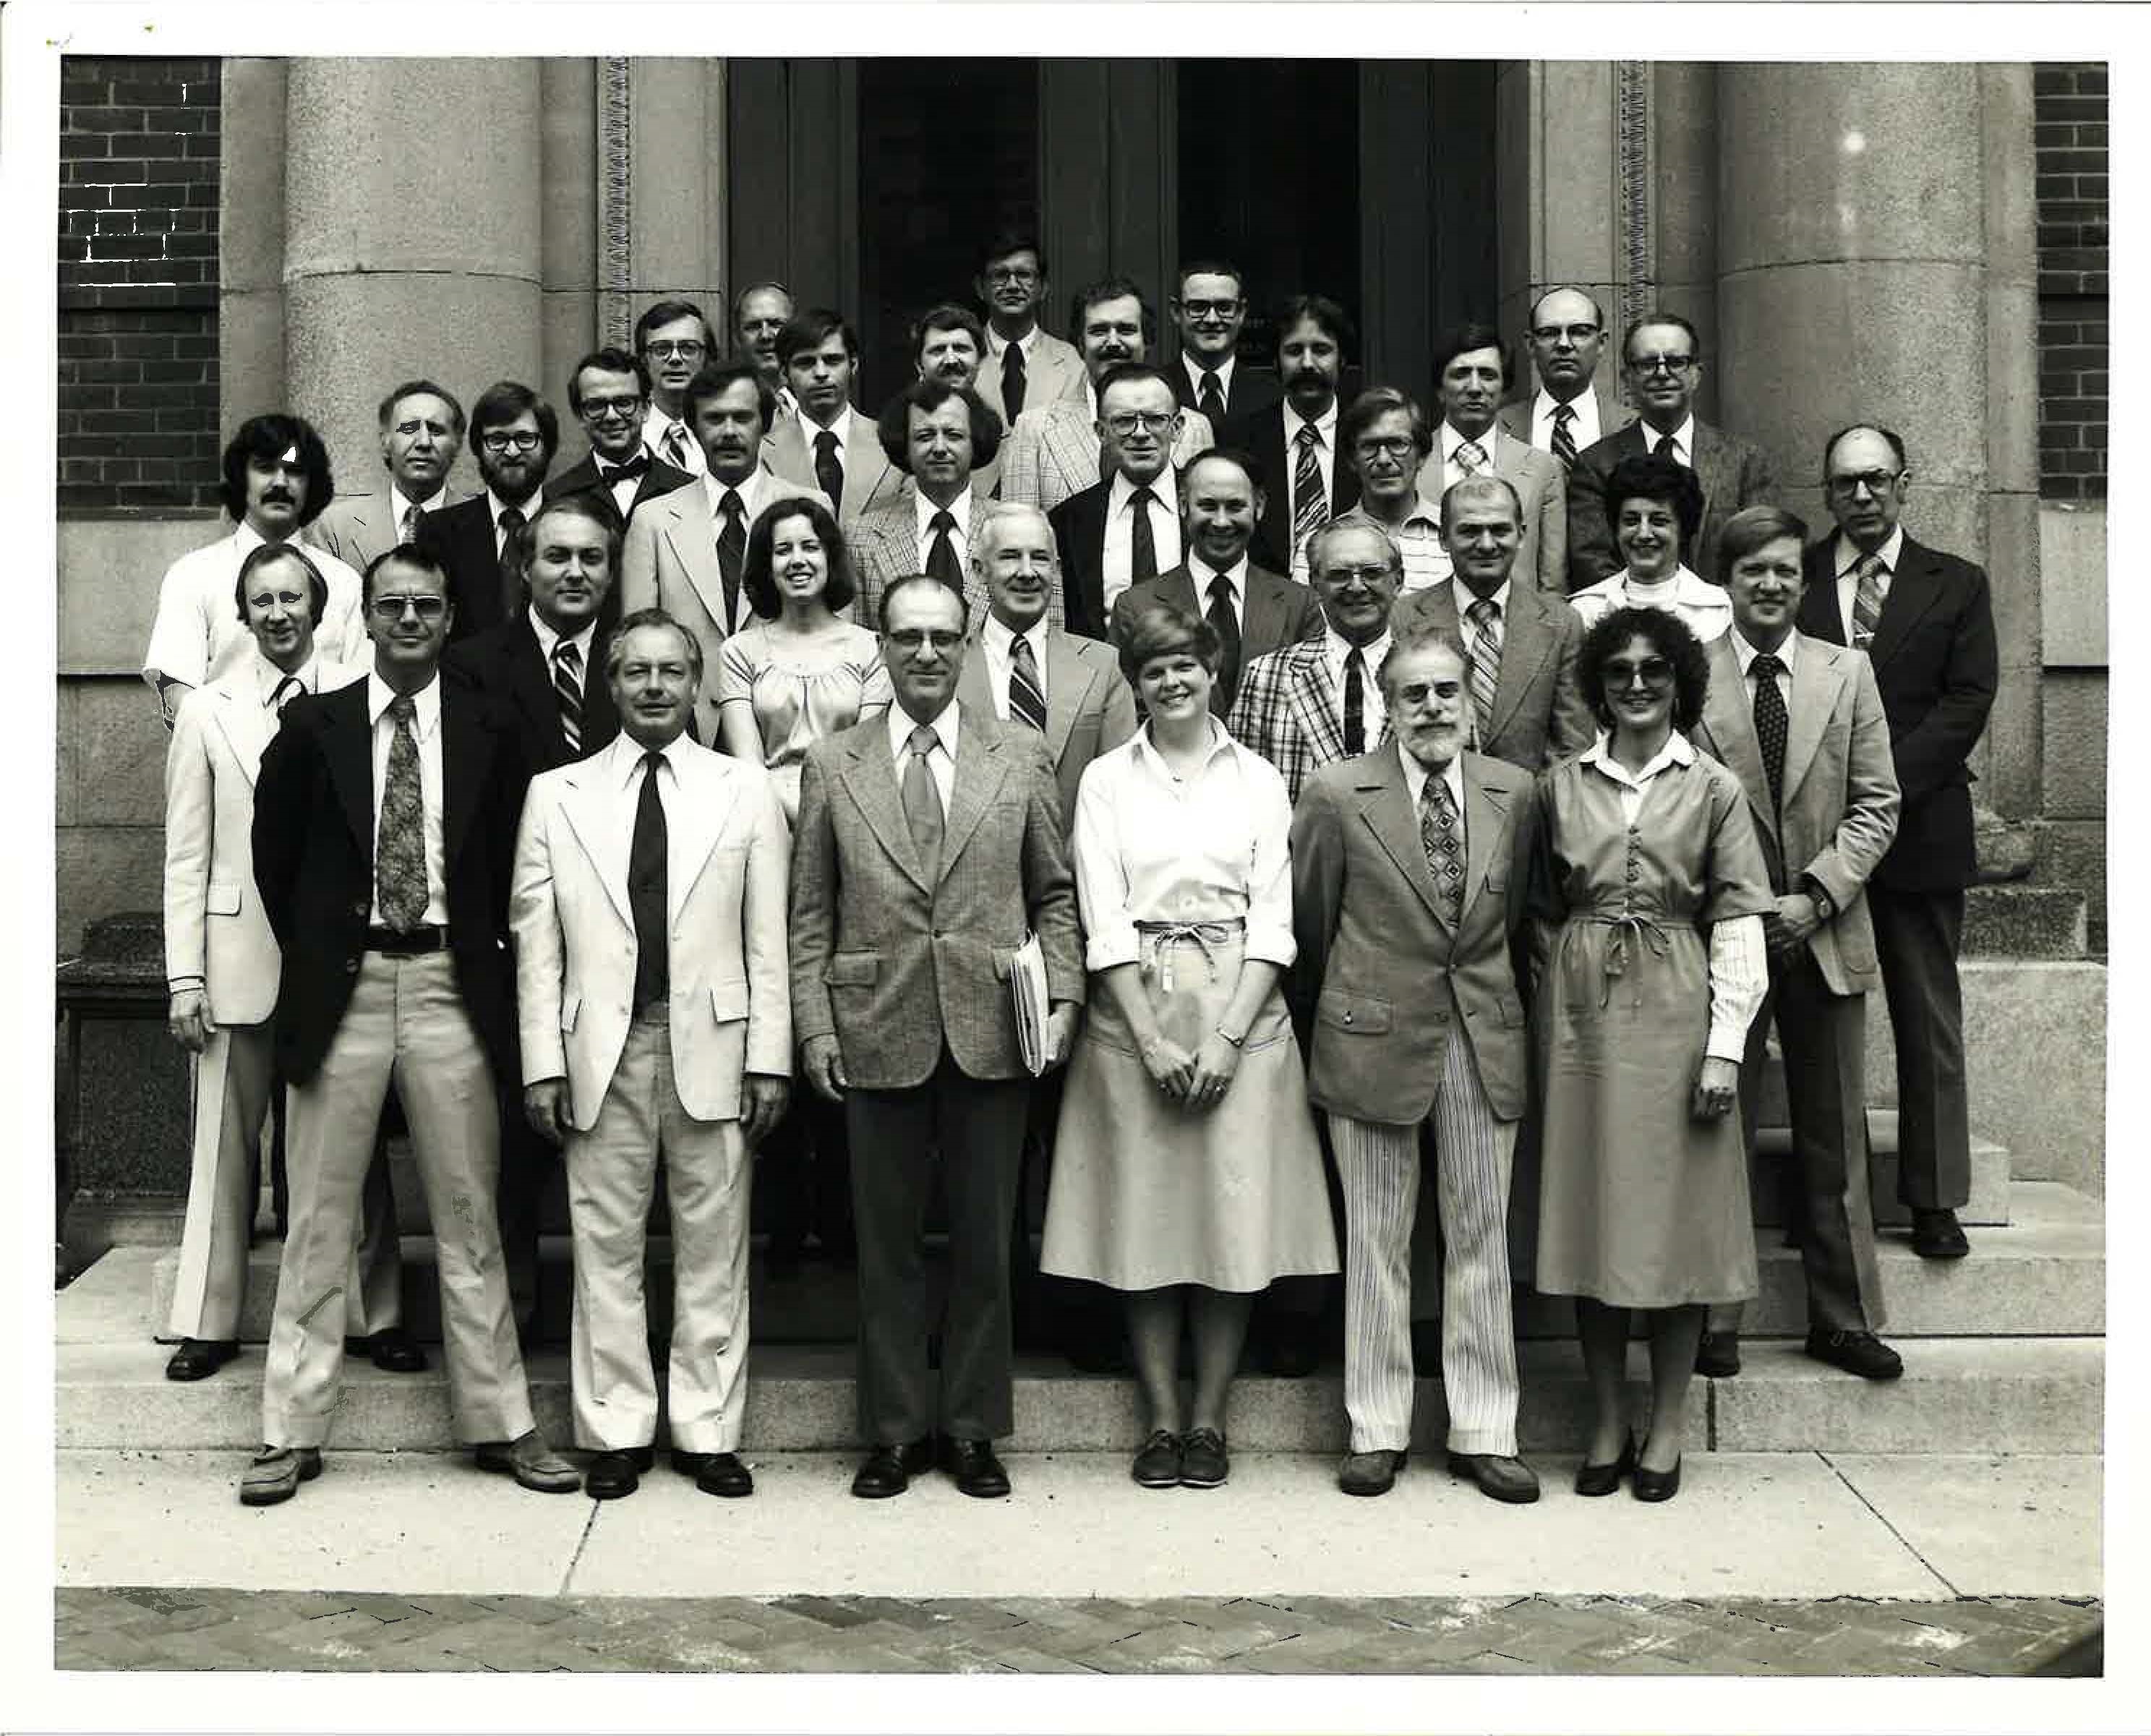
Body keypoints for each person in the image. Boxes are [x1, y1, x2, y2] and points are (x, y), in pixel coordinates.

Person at [241, 544, 578, 1505]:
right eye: (390, 605)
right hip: (342, 994)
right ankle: (289, 1429)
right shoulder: (312, 726)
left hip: (448, 986)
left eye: (426, 606)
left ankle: (501, 1421)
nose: (408, 621)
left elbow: (524, 858)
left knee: (470, 1216)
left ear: (447, 616)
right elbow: (276, 862)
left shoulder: (495, 727)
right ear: (366, 615)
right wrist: (325, 952)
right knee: (316, 1221)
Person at [788, 574, 1084, 1500]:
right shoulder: (834, 764)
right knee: (886, 1245)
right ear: (881, 646)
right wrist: (813, 1025)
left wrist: (1064, 996)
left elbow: (1054, 894)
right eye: (907, 637)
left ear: (967, 648)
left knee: (985, 1242)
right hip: (874, 1023)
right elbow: (809, 913)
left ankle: (968, 1427)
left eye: (942, 639)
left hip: (994, 1024)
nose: (924, 653)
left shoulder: (1018, 754)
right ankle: (891, 1431)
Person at [1043, 602, 1335, 1490]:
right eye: (1154, 669)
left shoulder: (1254, 778)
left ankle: (1210, 1417)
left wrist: (1225, 1039)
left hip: (1239, 1011)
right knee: (1145, 1217)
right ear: (1135, 683)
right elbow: (1098, 916)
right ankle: (1159, 1415)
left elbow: (1276, 920)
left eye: (1187, 666)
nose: (1172, 681)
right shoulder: (1104, 780)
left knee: (1229, 1219)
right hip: (1134, 1011)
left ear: (1215, 674)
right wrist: (1150, 1042)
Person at [512, 608, 792, 1501]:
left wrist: (770, 1056)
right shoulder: (555, 793)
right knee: (605, 1244)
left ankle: (707, 1428)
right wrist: (542, 1062)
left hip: (710, 1038)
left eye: (673, 671)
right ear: (610, 683)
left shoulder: (741, 789)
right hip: (601, 1044)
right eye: (637, 671)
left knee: (713, 1244)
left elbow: (767, 937)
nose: (655, 687)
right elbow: (537, 943)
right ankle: (617, 1429)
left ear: (697, 681)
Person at [1527, 605, 1775, 1503]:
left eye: (1654, 671)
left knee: (1676, 1231)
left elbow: (1739, 919)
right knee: (1596, 1220)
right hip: (1582, 1024)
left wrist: (1723, 1050)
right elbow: (1538, 913)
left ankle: (1665, 1426)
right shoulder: (1559, 786)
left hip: (1678, 1015)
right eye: (1619, 671)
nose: (1636, 685)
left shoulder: (1711, 787)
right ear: (1597, 684)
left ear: (1679, 681)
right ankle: (1604, 1420)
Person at [1290, 623, 1539, 1502]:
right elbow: (1312, 924)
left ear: (1469, 699)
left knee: (1479, 1234)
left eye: (1445, 691)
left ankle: (1483, 1427)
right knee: (1377, 1237)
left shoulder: (1515, 791)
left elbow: (1520, 925)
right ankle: (1376, 1426)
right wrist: (1357, 999)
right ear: (1387, 706)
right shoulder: (1335, 794)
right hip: (1370, 1035)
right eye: (1413, 694)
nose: (1431, 707)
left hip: (1479, 1036)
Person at [159, 543, 403, 1382]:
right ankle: (209, 1316)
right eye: (261, 601)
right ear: (242, 611)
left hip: (336, 956)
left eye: (291, 598)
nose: (277, 614)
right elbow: (186, 854)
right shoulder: (208, 710)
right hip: (234, 958)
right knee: (225, 1147)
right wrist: (183, 976)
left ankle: (375, 1314)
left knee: (353, 1142)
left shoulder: (358, 697)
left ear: (319, 607)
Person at [1690, 506, 1904, 1381]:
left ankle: (1840, 1316)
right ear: (1727, 584)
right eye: (1752, 573)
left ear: (1802, 579)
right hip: (1727, 935)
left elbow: (1877, 803)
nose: (1771, 585)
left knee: (1832, 1131)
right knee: (1717, 1132)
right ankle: (1713, 1317)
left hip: (1820, 927)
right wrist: (1746, 910)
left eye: (1784, 570)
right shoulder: (1687, 678)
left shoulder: (1845, 672)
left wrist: (1813, 895)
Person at [1800, 425, 1998, 1262]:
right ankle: (1825, 1203)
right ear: (1827, 493)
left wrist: (1877, 784)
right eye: (1844, 482)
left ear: (1904, 483)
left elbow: (1966, 700)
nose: (1861, 495)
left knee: (1924, 1017)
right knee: (1815, 1019)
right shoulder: (1794, 575)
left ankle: (1931, 1198)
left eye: (1875, 479)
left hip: (1917, 827)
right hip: (1814, 837)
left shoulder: (1954, 582)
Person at [445, 495, 625, 1336]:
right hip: (512, 930)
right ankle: (512, 1312)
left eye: (591, 557)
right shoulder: (474, 663)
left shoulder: (639, 662)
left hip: (620, 930)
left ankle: (606, 1312)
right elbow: (465, 813)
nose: (575, 573)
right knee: (515, 1128)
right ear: (524, 569)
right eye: (557, 557)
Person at [717, 497, 884, 1278]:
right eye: (780, 549)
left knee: (842, 1014)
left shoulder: (871, 647)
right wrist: (781, 847)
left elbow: (868, 759)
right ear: (765, 564)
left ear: (830, 556)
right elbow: (747, 769)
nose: (796, 560)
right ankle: (783, 1222)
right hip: (768, 844)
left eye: (809, 545)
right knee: (775, 1012)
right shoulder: (740, 651)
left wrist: (839, 842)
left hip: (856, 843)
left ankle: (846, 1216)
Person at [620, 356, 833, 735]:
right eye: (715, 419)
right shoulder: (653, 519)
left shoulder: (811, 509)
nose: (729, 431)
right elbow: (637, 642)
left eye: (743, 417)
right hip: (690, 726)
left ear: (765, 425)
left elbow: (834, 628)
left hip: (790, 720)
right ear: (694, 428)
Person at [143, 413, 364, 727]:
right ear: (241, 478)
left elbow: (359, 687)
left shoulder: (344, 583)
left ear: (311, 483)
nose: (280, 482)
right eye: (265, 468)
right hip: (225, 760)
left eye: (294, 471)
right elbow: (177, 686)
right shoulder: (192, 576)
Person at [1390, 475, 1596, 770]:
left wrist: (1526, 809)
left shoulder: (1562, 624)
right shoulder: (1403, 618)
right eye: (1470, 531)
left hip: (1531, 808)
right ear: (1444, 538)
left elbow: (1571, 747)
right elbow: (1397, 732)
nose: (1486, 545)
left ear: (1521, 535)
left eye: (1499, 530)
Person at [1565, 311, 1776, 591]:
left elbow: (1759, 551)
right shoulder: (1595, 464)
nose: (1662, 373)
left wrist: (1712, 610)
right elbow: (1591, 560)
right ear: (1627, 378)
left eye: (1676, 362)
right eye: (1648, 363)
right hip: (1631, 621)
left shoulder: (1745, 461)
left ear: (1696, 373)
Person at [1110, 448, 1323, 719]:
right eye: (1208, 506)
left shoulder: (1300, 604)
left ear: (1259, 507)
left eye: (1235, 506)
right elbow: (1127, 712)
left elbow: (1313, 707)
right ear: (1184, 505)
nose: (1221, 522)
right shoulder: (1136, 606)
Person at [998, 277, 1216, 513]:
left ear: (1148, 341)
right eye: (1099, 331)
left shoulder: (1194, 428)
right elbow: (1015, 535)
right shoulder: (1033, 430)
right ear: (1080, 344)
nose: (1113, 342)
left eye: (1126, 330)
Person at [1226, 518, 1400, 804]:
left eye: (1372, 573)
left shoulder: (1431, 674)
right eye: (1339, 575)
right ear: (1315, 584)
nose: (1356, 587)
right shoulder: (1267, 676)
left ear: (1398, 580)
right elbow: (1240, 793)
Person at [1415, 322, 1565, 593]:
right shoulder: (1412, 463)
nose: (1475, 387)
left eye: (1487, 375)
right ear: (1439, 389)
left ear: (1504, 389)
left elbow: (1552, 582)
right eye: (1461, 374)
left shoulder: (1542, 467)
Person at [1223, 294, 1361, 580]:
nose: (1307, 364)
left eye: (1321, 350)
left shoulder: (1366, 436)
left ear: (1342, 358)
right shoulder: (1239, 440)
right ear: (1276, 360)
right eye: (1294, 351)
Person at [1047, 364, 1188, 638]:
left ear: (1177, 427)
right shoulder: (1069, 519)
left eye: (1155, 419)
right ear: (1101, 432)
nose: (1140, 433)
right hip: (1102, 674)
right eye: (1124, 421)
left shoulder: (1209, 507)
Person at [848, 379, 1002, 628]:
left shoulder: (1009, 529)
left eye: (953, 435)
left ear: (976, 442)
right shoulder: (862, 537)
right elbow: (858, 644)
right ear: (904, 446)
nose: (940, 448)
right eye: (925, 436)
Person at [415, 380, 557, 641]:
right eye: (498, 440)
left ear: (547, 447)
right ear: (478, 449)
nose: (512, 452)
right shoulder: (439, 531)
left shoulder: (576, 528)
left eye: (525, 439)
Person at [306, 380, 469, 574]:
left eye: (436, 430)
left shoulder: (482, 525)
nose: (424, 443)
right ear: (385, 444)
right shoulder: (336, 526)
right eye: (409, 429)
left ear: (457, 445)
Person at [1567, 453, 1733, 642]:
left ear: (1683, 529)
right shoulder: (1587, 610)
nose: (1644, 534)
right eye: (1631, 521)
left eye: (1659, 521)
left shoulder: (1718, 609)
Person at [763, 309, 902, 523]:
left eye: (832, 360)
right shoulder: (761, 452)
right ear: (784, 373)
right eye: (806, 363)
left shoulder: (892, 444)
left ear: (853, 365)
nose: (820, 373)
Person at [543, 347, 696, 540]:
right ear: (580, 415)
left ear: (646, 408)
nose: (612, 416)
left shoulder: (688, 491)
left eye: (624, 403)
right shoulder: (556, 496)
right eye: (597, 406)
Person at [1497, 287, 1635, 465]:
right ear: (1531, 344)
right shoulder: (1498, 427)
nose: (1564, 344)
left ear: (1601, 343)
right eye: (1549, 333)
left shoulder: (1632, 426)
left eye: (1579, 332)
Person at [1334, 387, 1450, 592]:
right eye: (1370, 446)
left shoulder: (1457, 539)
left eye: (1397, 444)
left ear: (1422, 456)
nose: (1384, 460)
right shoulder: (1323, 544)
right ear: (1352, 460)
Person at [973, 233, 1083, 429]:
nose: (1013, 286)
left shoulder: (1070, 360)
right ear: (981, 288)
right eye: (1000, 275)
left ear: (1043, 288)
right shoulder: (961, 355)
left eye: (1024, 275)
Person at [908, 304, 1003, 499]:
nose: (951, 360)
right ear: (919, 365)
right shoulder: (900, 432)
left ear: (980, 361)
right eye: (938, 350)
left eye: (961, 349)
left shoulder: (1009, 439)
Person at [1168, 260, 1277, 424]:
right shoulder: (1155, 391)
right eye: (1198, 307)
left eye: (1224, 307)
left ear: (1241, 313)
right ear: (1176, 312)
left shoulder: (1273, 396)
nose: (1212, 319)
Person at [636, 298, 719, 475]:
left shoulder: (725, 430)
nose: (675, 358)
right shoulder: (628, 433)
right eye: (661, 349)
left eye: (688, 348)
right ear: (644, 360)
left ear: (707, 359)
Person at [731, 281, 798, 422]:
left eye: (776, 324)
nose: (765, 335)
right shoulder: (720, 409)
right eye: (753, 326)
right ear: (737, 339)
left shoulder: (819, 405)